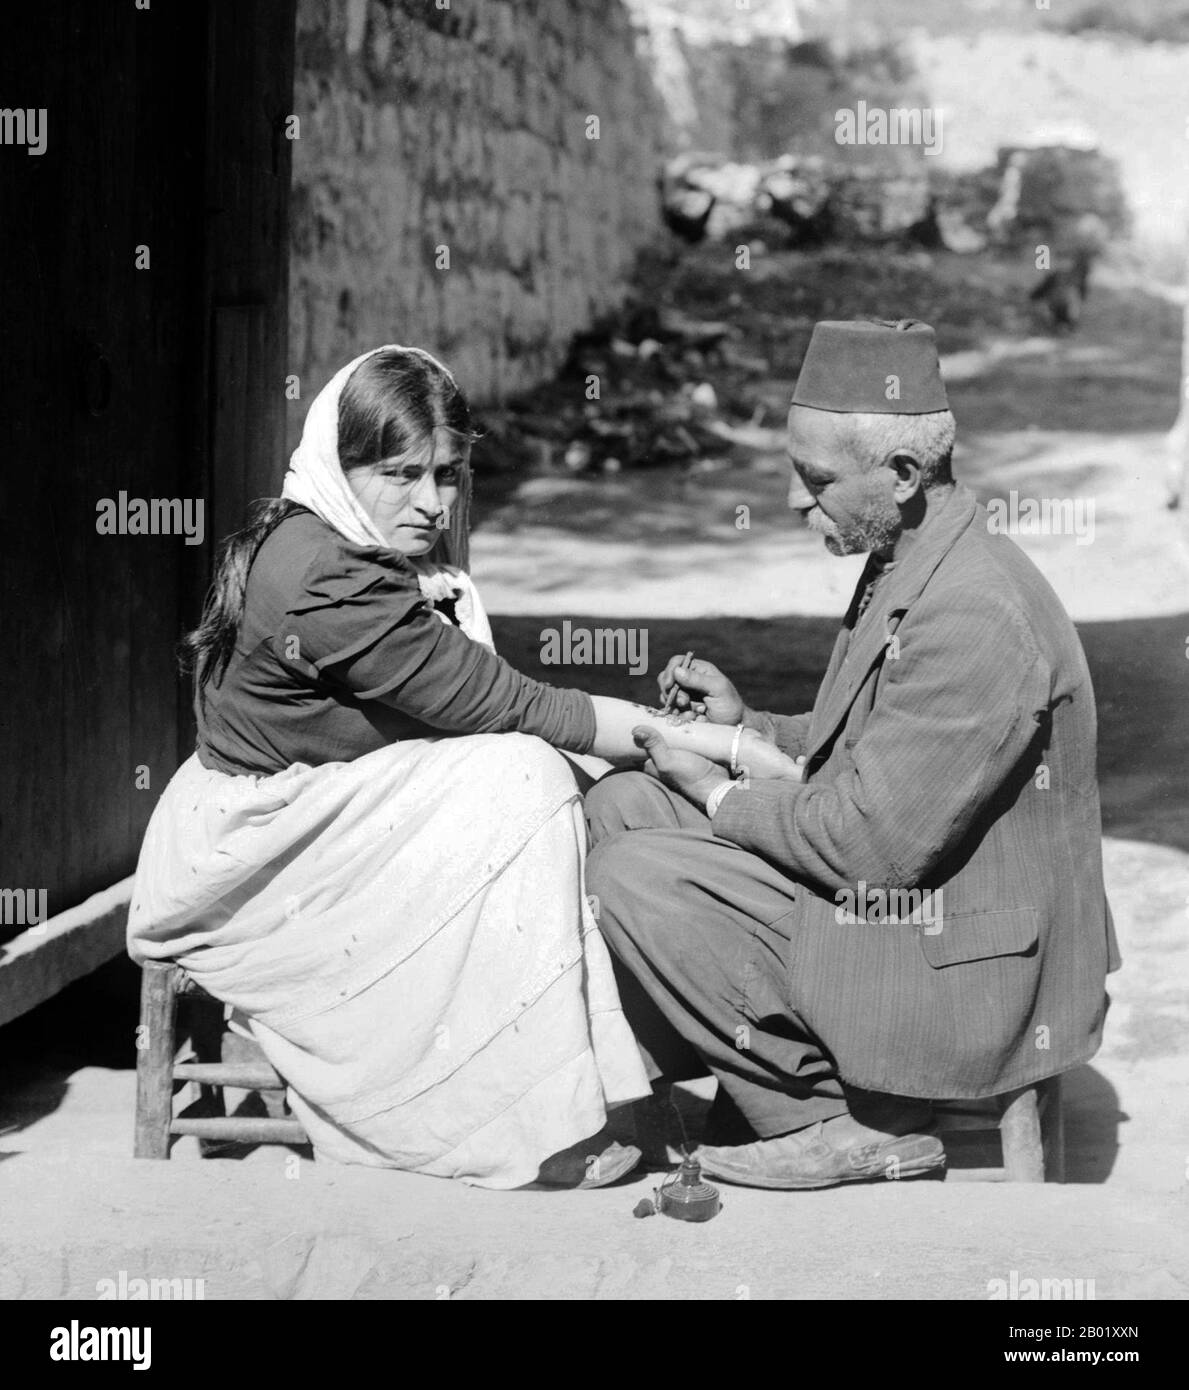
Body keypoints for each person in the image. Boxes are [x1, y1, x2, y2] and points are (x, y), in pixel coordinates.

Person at [127, 344, 802, 1190]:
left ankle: (570, 1078)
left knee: (550, 779)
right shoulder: (325, 580)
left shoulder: (354, 543)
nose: (429, 504)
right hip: (251, 858)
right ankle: (511, 1116)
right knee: (523, 780)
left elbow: (480, 701)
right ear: (342, 466)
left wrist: (682, 745)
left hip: (309, 812)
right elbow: (519, 708)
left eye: (446, 476)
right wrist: (734, 750)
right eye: (399, 474)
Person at [586, 319, 1120, 1190]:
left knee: (634, 873)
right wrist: (745, 723)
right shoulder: (913, 555)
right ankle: (753, 1071)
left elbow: (869, 846)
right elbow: (875, 743)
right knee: (624, 803)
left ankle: (829, 1119)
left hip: (963, 966)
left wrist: (720, 794)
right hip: (922, 903)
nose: (796, 501)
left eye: (817, 479)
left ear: (903, 475)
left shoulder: (973, 612)